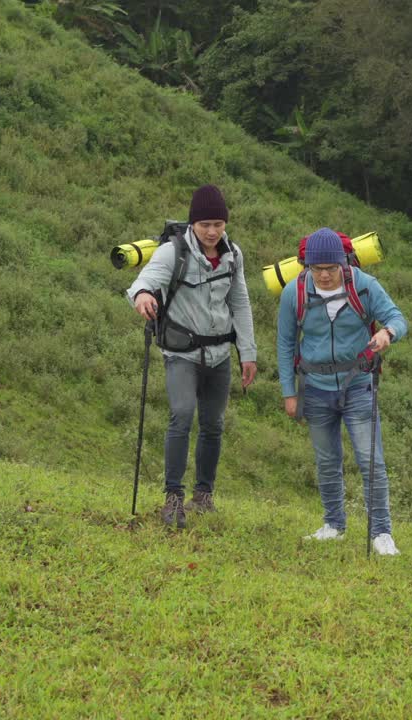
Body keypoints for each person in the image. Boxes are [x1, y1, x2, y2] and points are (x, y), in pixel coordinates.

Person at [127, 184, 257, 528]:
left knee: (213, 425)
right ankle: (173, 498)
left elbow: (240, 302)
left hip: (219, 356)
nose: (212, 232)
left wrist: (248, 352)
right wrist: (142, 297)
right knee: (182, 416)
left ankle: (203, 495)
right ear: (192, 224)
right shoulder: (174, 252)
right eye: (204, 225)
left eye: (218, 224)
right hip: (182, 354)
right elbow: (143, 282)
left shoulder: (234, 254)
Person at [276, 228, 408, 555]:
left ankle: (381, 532)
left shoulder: (363, 285)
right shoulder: (294, 292)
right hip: (315, 389)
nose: (323, 275)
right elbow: (285, 343)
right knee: (326, 461)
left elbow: (397, 317)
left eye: (330, 269)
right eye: (315, 269)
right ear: (305, 266)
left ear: (343, 264)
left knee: (369, 459)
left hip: (358, 386)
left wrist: (388, 333)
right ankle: (333, 524)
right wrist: (288, 392)